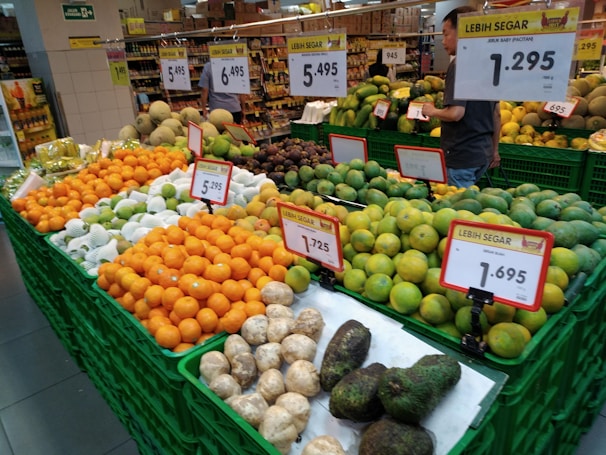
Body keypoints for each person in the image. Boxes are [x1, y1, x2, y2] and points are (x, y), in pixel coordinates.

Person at [421, 6, 500, 189]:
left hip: (461, 155)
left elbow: (456, 113)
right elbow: (496, 113)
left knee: (455, 208)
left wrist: (432, 111)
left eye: (446, 34)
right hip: (481, 153)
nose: (443, 41)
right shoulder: (488, 62)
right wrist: (494, 150)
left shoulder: (460, 64)